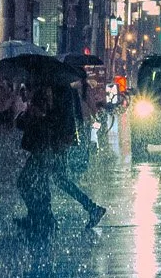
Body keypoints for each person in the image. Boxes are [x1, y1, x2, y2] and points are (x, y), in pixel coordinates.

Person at [48, 77, 108, 228]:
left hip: (55, 142)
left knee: (52, 178)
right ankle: (44, 215)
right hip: (56, 141)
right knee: (54, 178)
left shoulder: (61, 90)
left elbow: (61, 117)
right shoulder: (64, 89)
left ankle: (45, 216)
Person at [15, 85, 59, 235]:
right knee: (39, 184)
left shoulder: (38, 107)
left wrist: (28, 114)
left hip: (40, 152)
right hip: (41, 151)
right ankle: (41, 216)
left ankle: (38, 216)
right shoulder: (38, 105)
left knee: (25, 182)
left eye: (25, 89)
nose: (23, 92)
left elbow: (25, 125)